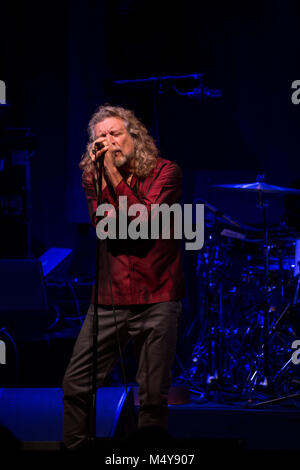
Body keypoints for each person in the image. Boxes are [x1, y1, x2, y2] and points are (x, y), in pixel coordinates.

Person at [62, 104, 185, 449]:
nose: (108, 142)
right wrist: (105, 177)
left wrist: (114, 178)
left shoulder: (165, 173)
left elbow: (144, 225)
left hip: (158, 295)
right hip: (110, 299)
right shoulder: (92, 177)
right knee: (76, 384)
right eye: (100, 138)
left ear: (134, 137)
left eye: (115, 134)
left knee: (152, 396)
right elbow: (106, 227)